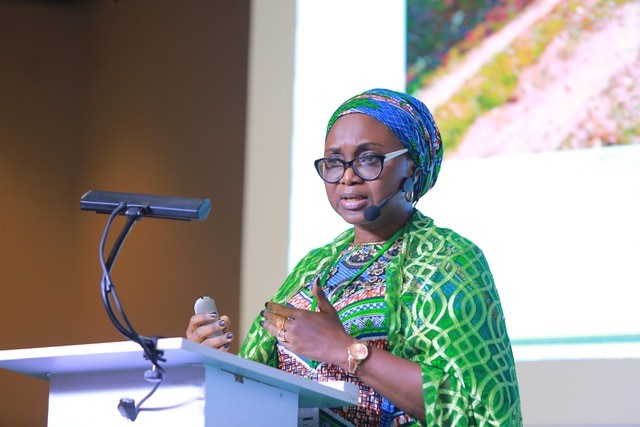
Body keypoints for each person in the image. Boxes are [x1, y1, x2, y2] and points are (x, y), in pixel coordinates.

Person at [186, 88, 522, 426]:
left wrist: (344, 349)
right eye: (334, 162)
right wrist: (216, 367)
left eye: (368, 159)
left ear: (413, 168)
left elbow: (474, 405)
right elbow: (267, 389)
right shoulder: (314, 265)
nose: (348, 176)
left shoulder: (448, 260)